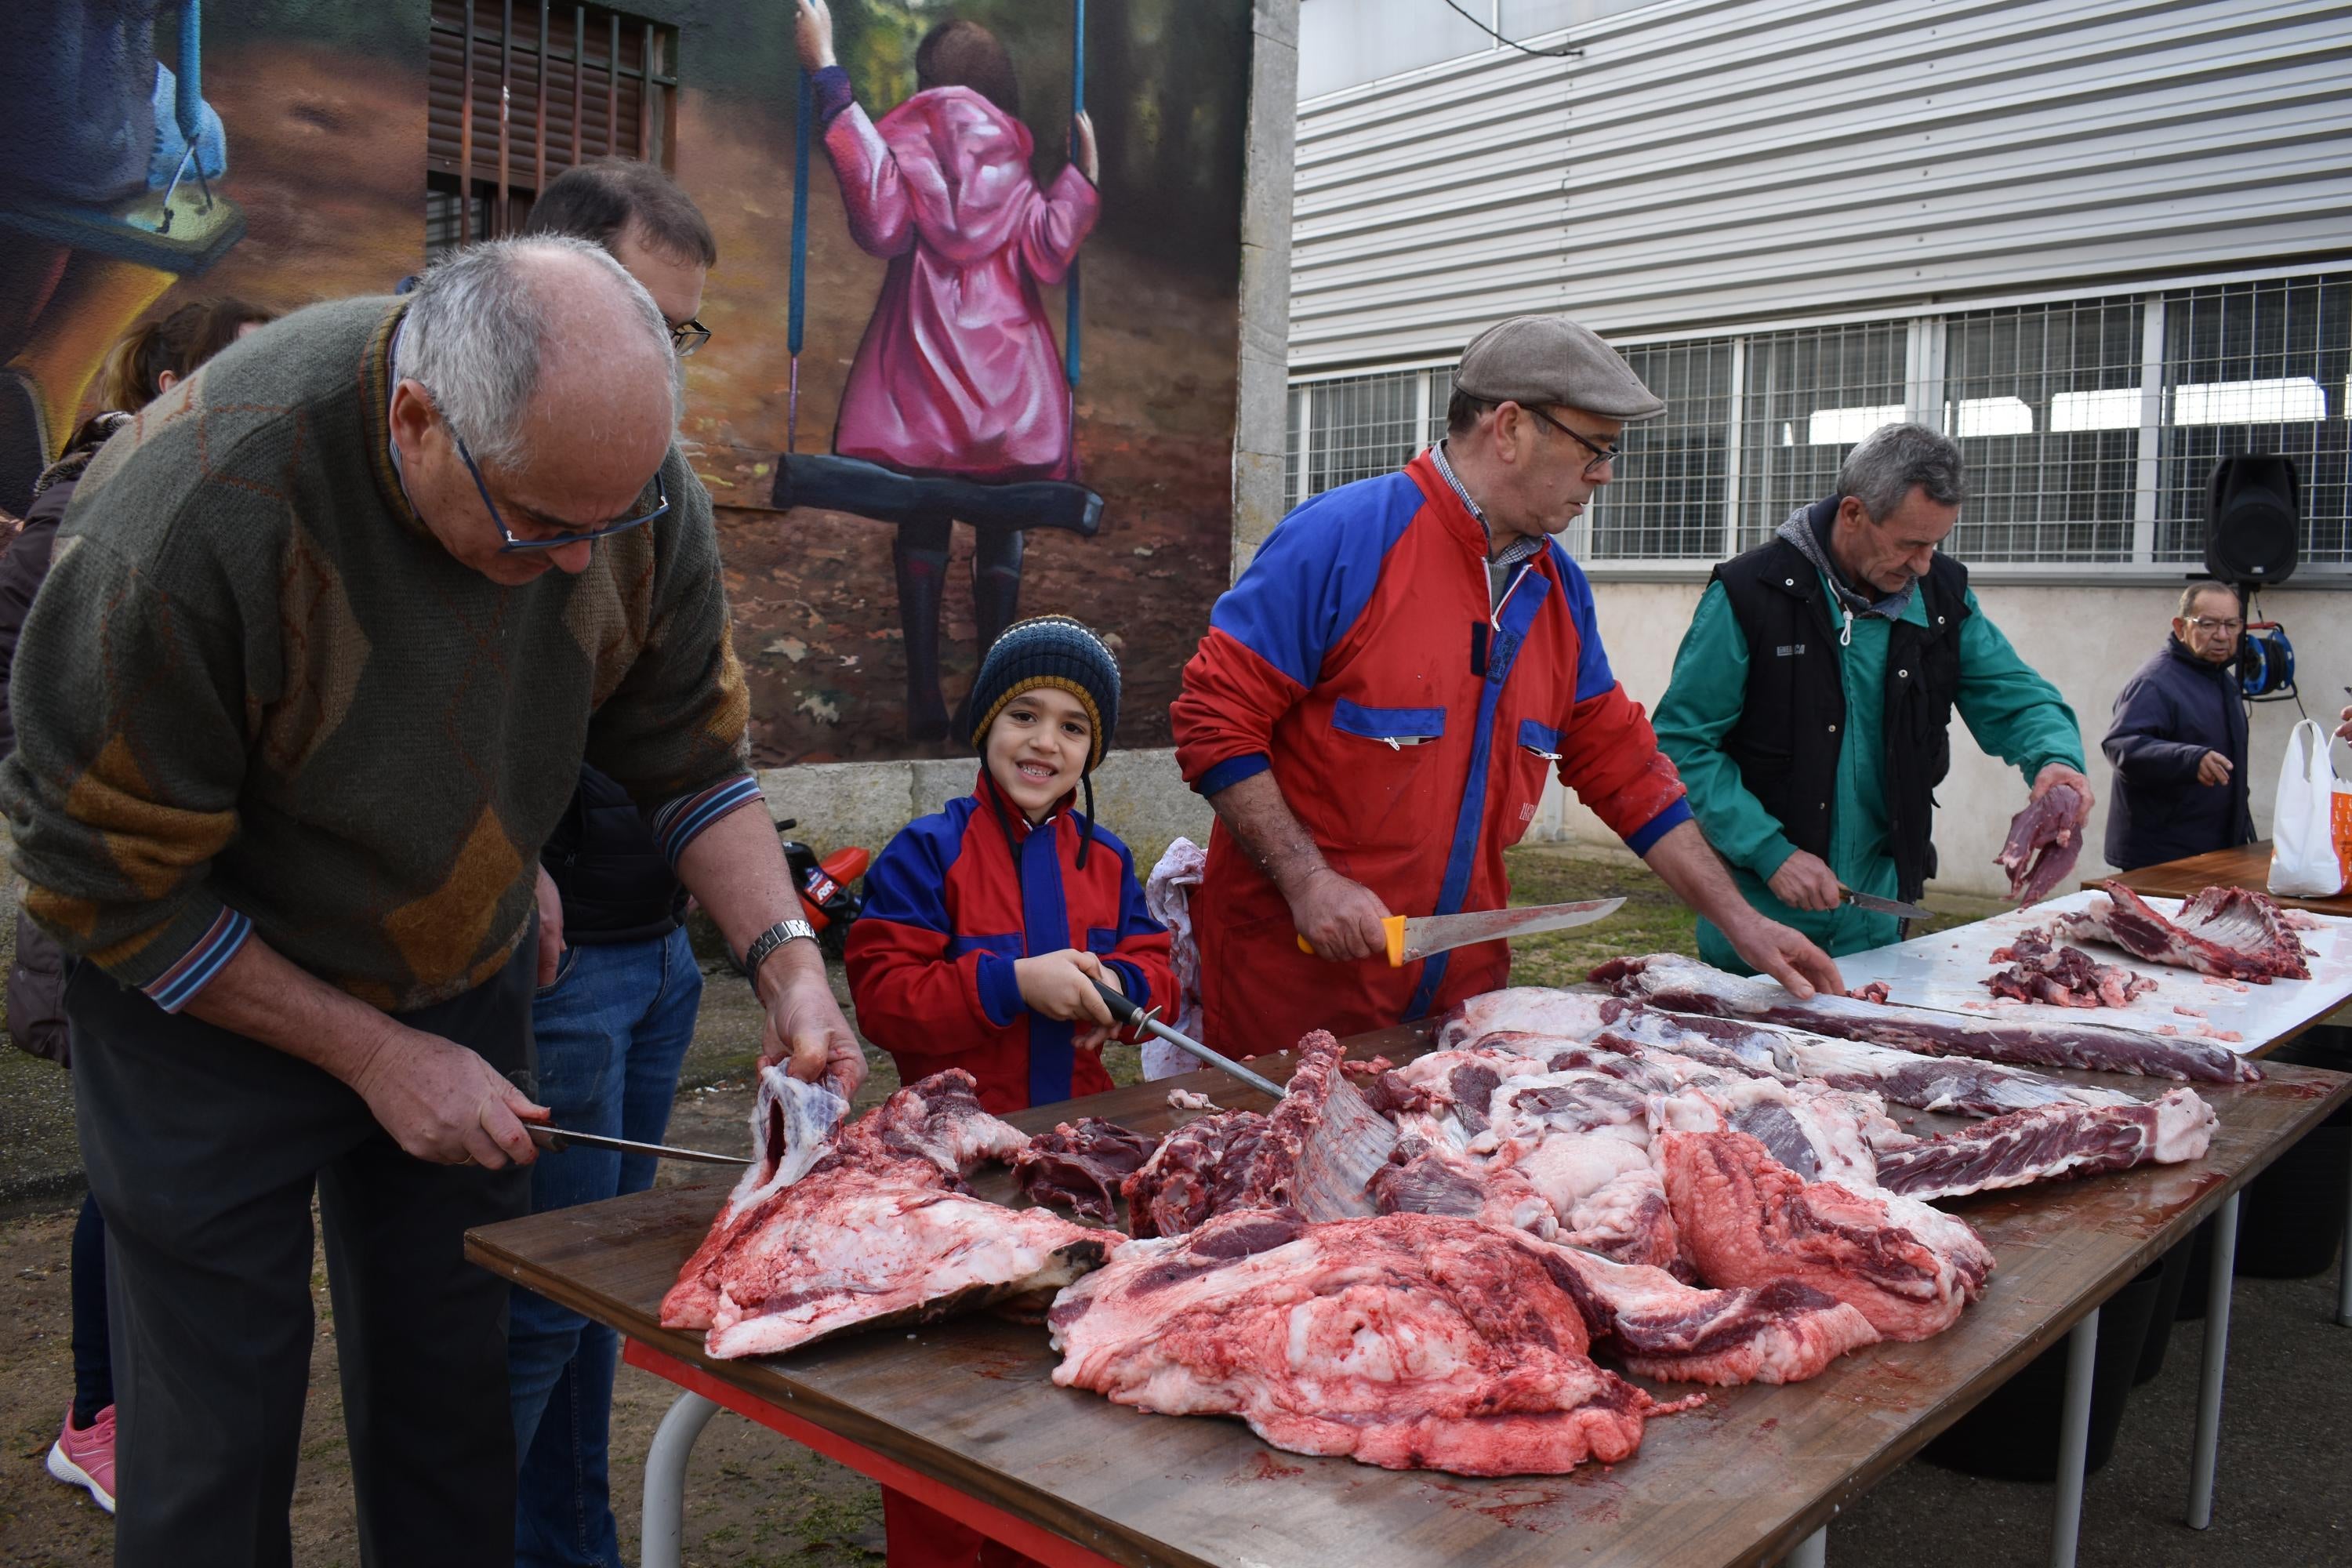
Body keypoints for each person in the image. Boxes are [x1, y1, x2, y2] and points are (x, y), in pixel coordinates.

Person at [0, 236, 864, 1568]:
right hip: (202, 998)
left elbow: (687, 753)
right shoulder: (190, 513)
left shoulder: (622, 496)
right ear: (416, 422)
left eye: (612, 521)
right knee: (212, 1452)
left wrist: (789, 959)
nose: (583, 564)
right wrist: (372, 1052)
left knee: (453, 1413)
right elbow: (100, 881)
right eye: (542, 526)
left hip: (457, 973)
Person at [1171, 315, 1841, 1058]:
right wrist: (1309, 882)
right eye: (1596, 449)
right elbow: (1213, 719)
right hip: (1294, 993)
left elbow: (1626, 771)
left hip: (1459, 997)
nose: (1606, 475)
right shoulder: (1342, 541)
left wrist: (1744, 921)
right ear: (1512, 428)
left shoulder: (1558, 592)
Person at [0, 296, 272, 1516]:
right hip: (117, 896)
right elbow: (46, 705)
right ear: (170, 373)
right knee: (131, 1175)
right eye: (240, 375)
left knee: (162, 1172)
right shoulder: (103, 492)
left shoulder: (205, 487)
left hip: (186, 896)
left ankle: (133, 1406)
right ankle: (97, 1417)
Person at [845, 614, 1173, 1568]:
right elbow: (885, 995)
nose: (1046, 741)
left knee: (1060, 1372)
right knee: (947, 1391)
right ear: (985, 727)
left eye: (1074, 726)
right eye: (1024, 714)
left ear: (1092, 750)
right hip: (949, 1171)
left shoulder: (1107, 859)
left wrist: (1132, 994)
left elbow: (1154, 965)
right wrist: (1008, 982)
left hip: (1074, 1164)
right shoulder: (926, 850)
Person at [505, 158, 722, 1568]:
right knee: (527, 1315)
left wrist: (775, 938)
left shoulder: (668, 487)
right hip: (560, 955)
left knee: (602, 1301)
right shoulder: (500, 455)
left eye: (684, 336)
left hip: (657, 953)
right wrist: (508, 848)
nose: (665, 366)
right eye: (647, 319)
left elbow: (697, 731)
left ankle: (571, 1549)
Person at [1653, 423, 2092, 966]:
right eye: (1909, 543)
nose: (1924, 564)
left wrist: (2056, 761)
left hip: (1880, 916)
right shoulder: (1750, 596)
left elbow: (2015, 694)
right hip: (1762, 915)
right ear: (1854, 513)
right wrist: (1772, 854)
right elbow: (1683, 743)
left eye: (1935, 544)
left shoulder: (1940, 598)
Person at [794, 0, 1102, 739]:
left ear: (927, 77)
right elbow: (1049, 250)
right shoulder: (1014, 158)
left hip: (918, 390)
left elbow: (881, 223)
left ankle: (926, 689)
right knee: (1002, 524)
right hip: (1010, 402)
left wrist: (828, 75)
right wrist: (1082, 176)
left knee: (923, 516)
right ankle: (990, 688)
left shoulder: (906, 141)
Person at [2100, 581, 2256, 873]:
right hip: (2162, 855)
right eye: (2208, 624)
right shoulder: (2155, 682)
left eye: (2231, 624)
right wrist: (2189, 760)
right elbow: (2121, 745)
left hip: (2217, 849)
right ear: (2180, 626)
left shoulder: (2224, 680)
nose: (2222, 636)